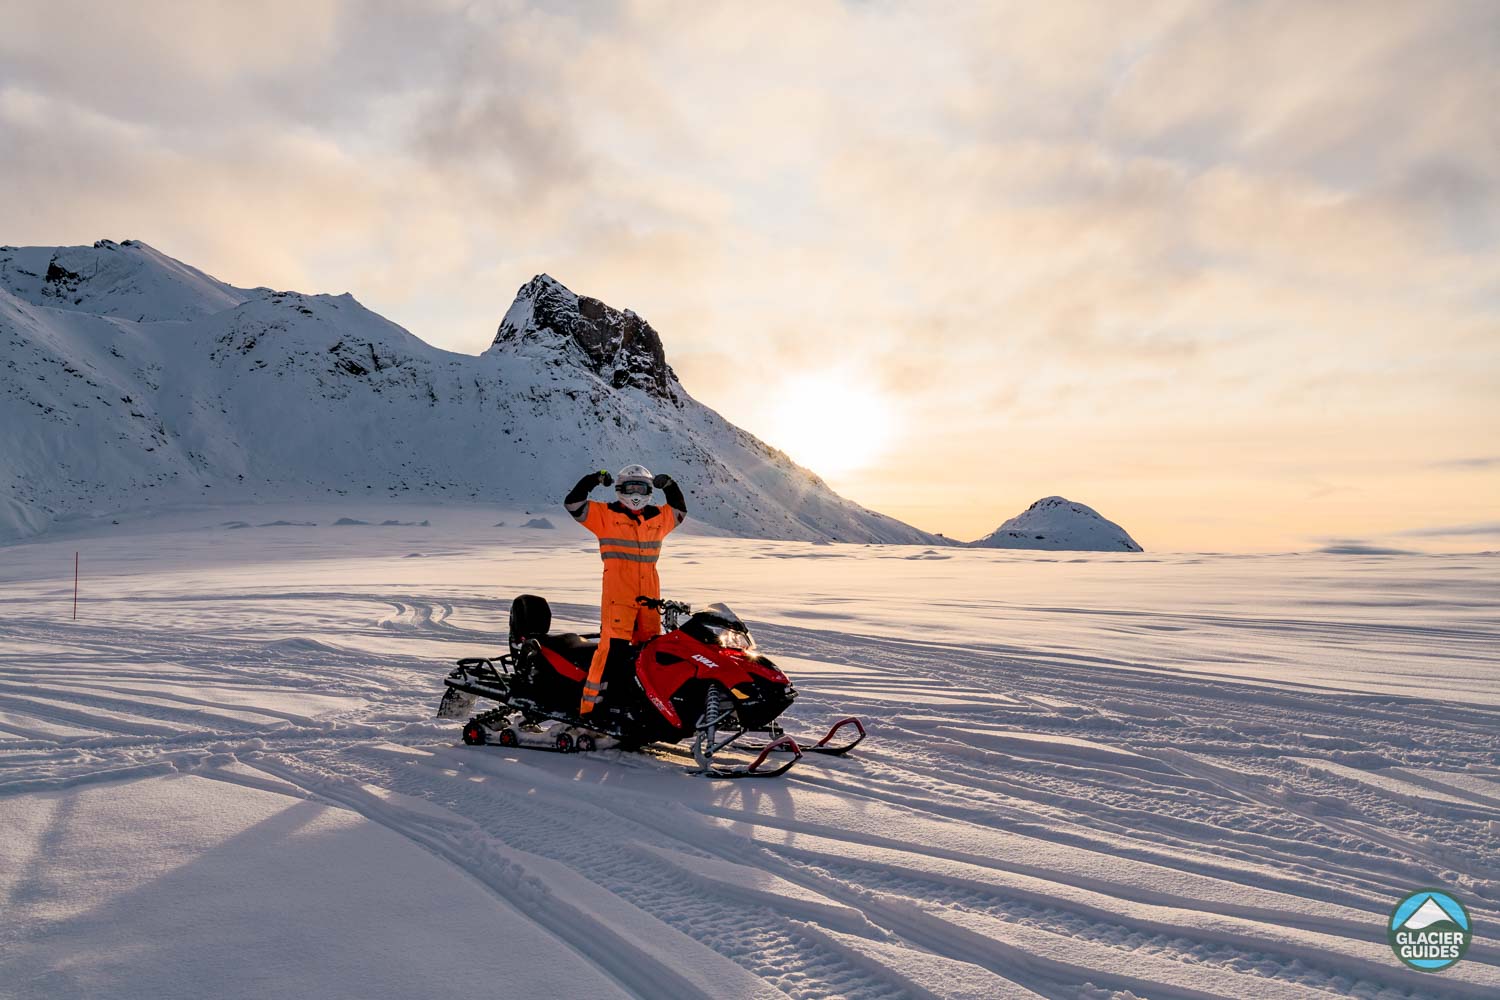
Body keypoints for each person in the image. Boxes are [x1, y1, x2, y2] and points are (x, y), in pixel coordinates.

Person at [564, 464, 687, 717]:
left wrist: (671, 486)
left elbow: (679, 511)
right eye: (630, 487)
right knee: (611, 650)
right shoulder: (605, 515)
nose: (635, 493)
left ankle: (640, 706)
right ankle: (590, 709)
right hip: (618, 597)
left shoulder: (657, 517)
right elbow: (574, 504)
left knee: (648, 652)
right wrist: (592, 479)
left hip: (649, 599)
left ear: (649, 490)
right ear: (620, 489)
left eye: (640, 487)